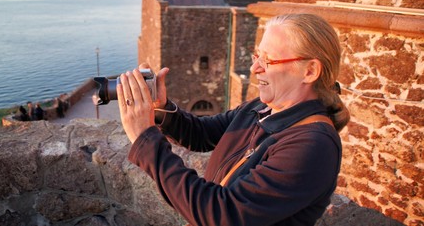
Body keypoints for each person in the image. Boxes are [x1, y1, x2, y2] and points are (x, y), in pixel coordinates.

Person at [116, 13, 350, 226]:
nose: (254, 67)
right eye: (257, 55)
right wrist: (161, 108)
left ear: (309, 71)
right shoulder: (260, 108)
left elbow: (223, 214)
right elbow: (201, 134)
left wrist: (145, 139)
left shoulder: (313, 146)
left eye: (268, 60)